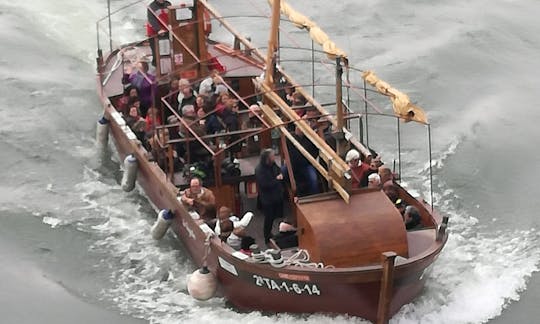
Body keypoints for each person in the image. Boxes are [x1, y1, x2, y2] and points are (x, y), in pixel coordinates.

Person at [255, 149, 284, 243]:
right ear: (268, 158)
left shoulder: (273, 165)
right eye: (272, 156)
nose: (274, 157)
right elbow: (264, 184)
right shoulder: (260, 170)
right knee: (269, 217)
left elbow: (279, 170)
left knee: (275, 216)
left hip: (276, 195)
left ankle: (273, 234)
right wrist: (277, 179)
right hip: (267, 198)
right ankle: (267, 237)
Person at [283, 125, 319, 196]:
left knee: (313, 179)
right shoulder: (290, 138)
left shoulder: (310, 138)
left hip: (306, 165)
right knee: (282, 172)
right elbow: (289, 152)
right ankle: (287, 195)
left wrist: (309, 160)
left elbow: (315, 151)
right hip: (293, 164)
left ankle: (314, 197)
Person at [146, 0, 171, 66]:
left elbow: (171, 16)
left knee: (168, 50)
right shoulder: (151, 7)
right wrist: (158, 30)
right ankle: (157, 67)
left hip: (166, 30)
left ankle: (167, 66)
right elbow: (151, 20)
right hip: (154, 33)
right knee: (156, 53)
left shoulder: (168, 4)